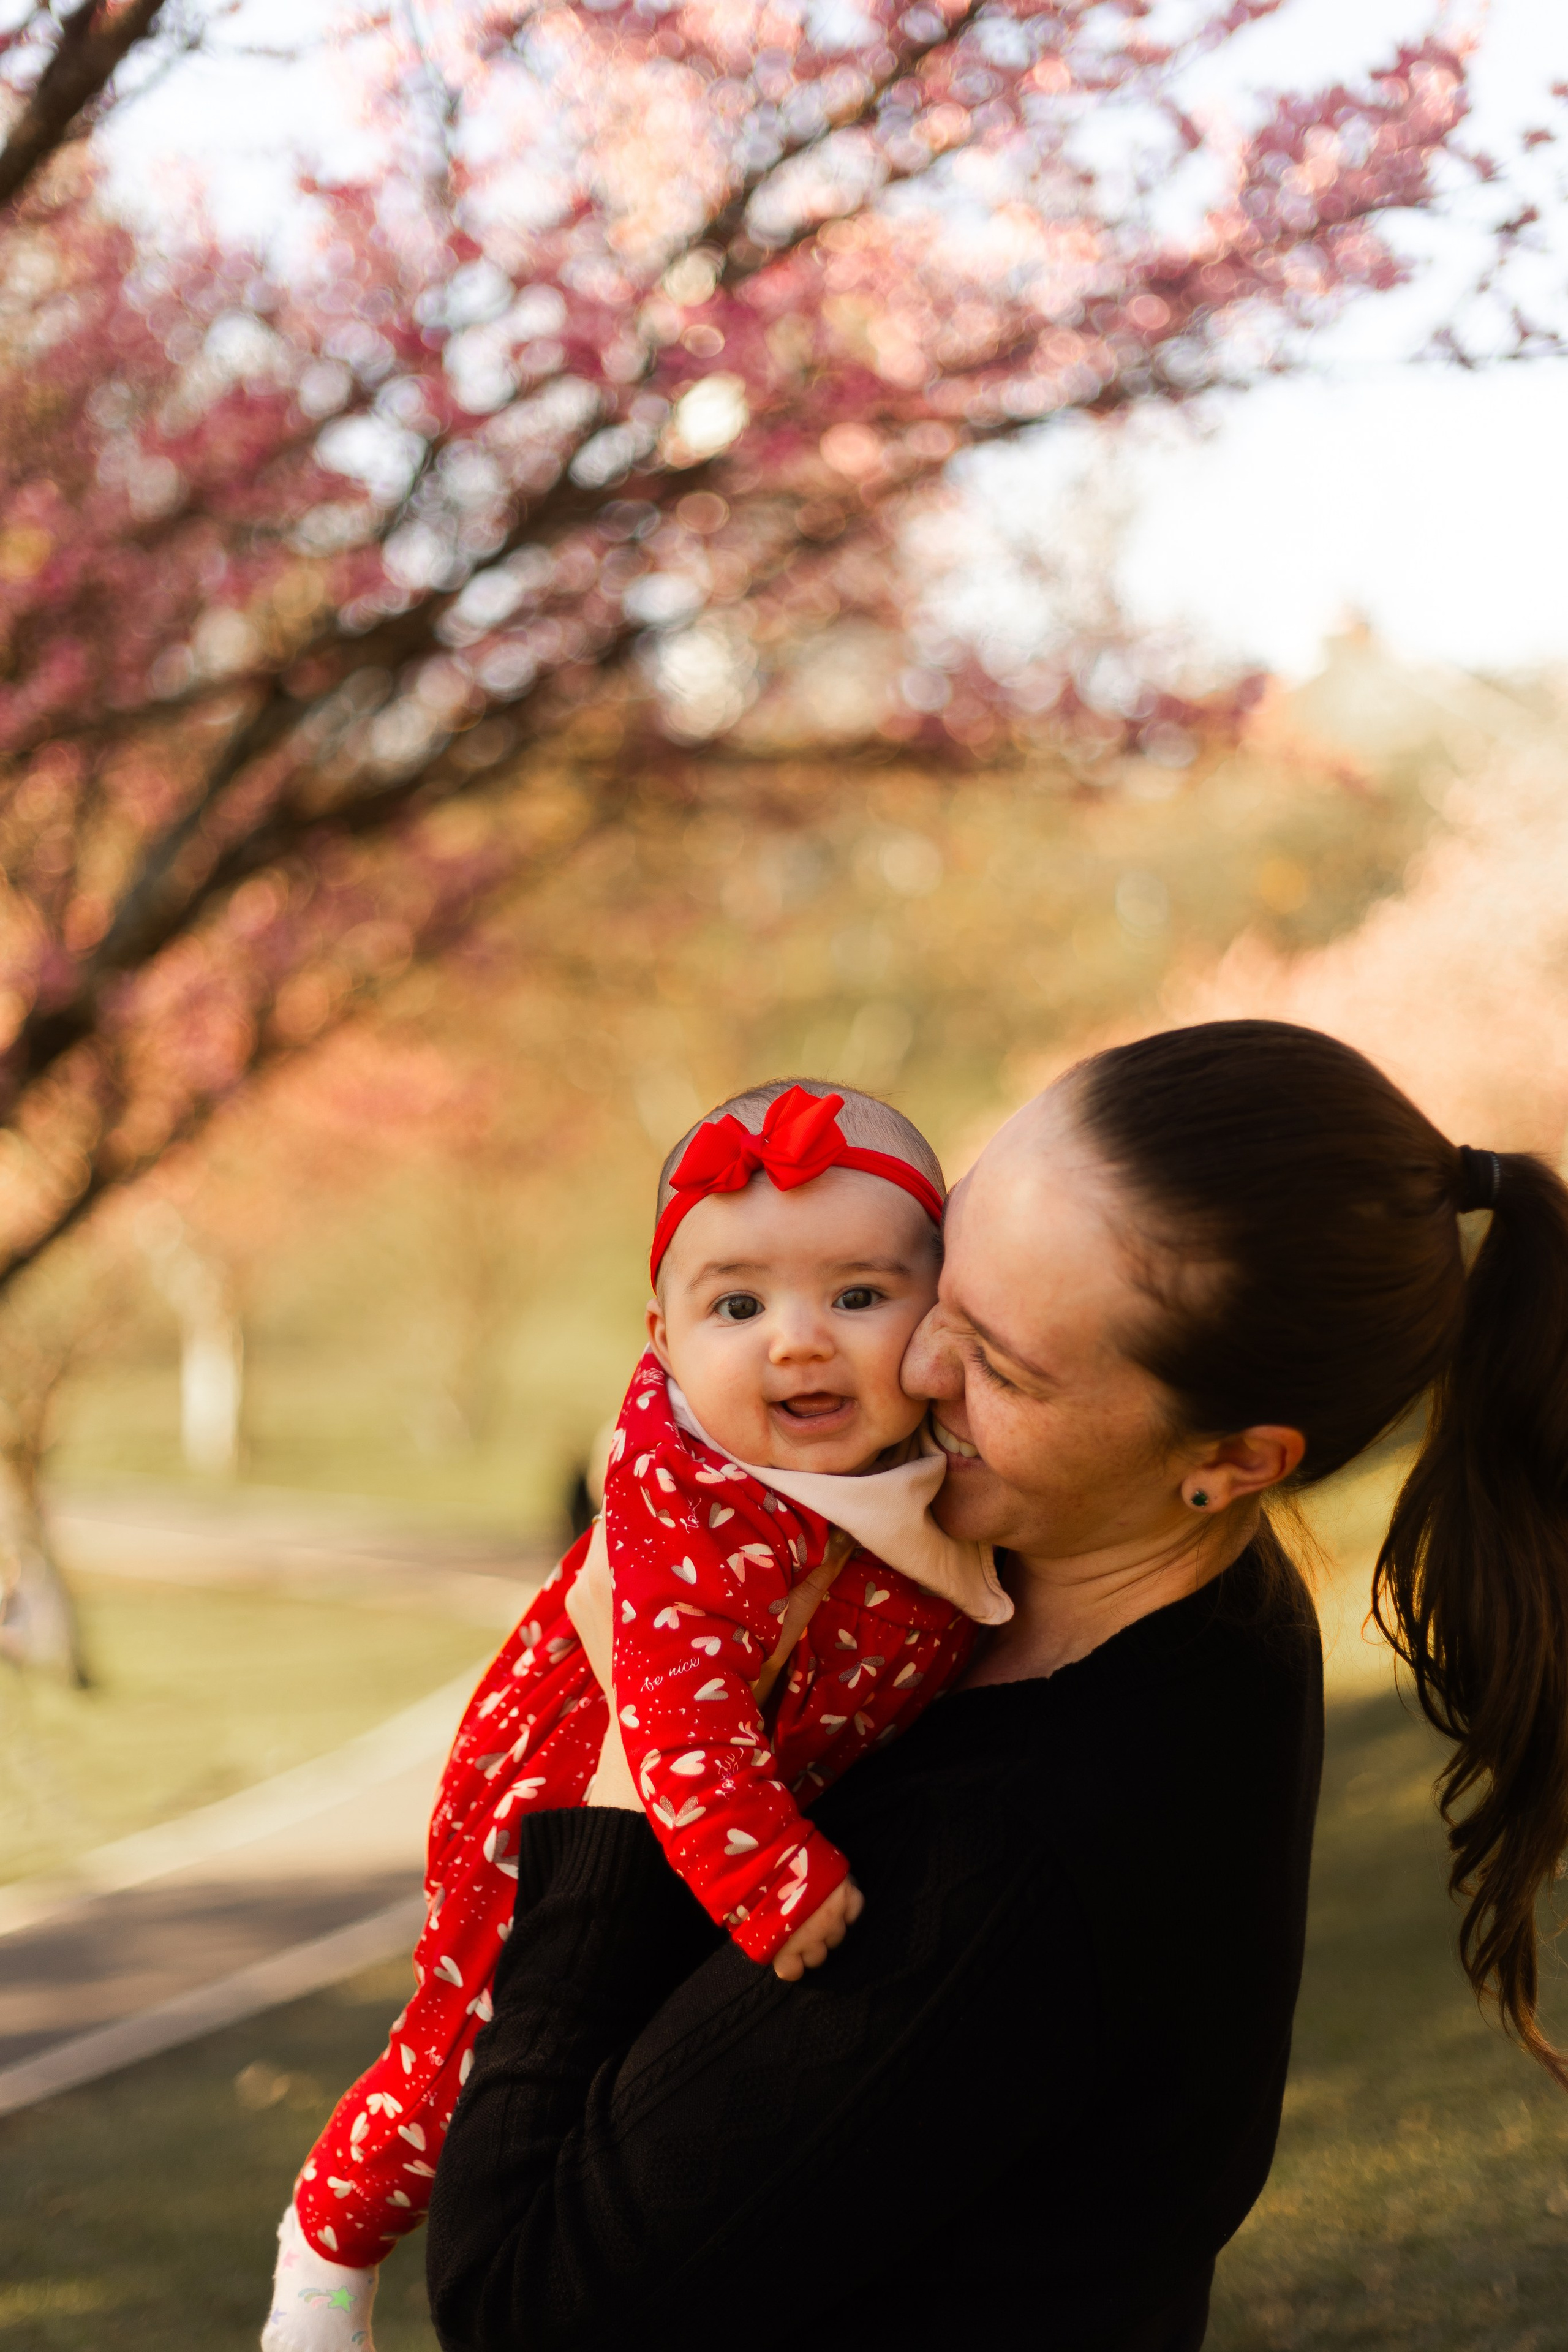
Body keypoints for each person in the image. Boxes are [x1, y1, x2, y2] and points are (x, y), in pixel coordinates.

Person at [424, 1020, 1568, 2352]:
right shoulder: (1125, 1585)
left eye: (1003, 1368)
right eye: (938, 1279)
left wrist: (644, 1744)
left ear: (1235, 1459)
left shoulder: (1010, 1862)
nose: (907, 1368)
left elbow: (515, 2302)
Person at [263, 1080, 1008, 2352]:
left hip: (745, 1803)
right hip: (554, 1799)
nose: (798, 1342)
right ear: (658, 1339)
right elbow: (674, 1709)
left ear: (940, 1321)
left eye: (858, 1296)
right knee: (463, 2053)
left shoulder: (932, 1473)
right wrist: (766, 1874)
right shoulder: (682, 1491)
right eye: (737, 1305)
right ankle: (326, 2247)